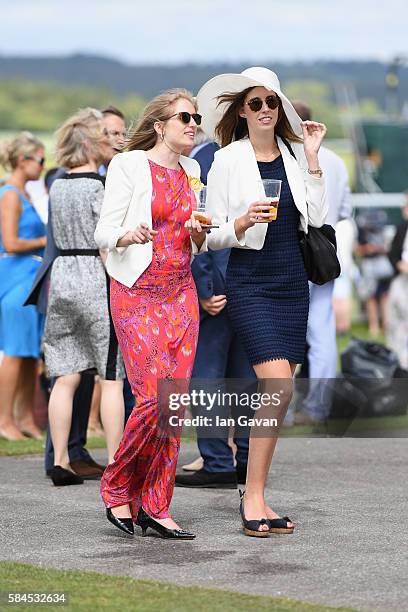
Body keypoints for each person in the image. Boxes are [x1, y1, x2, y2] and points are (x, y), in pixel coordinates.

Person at [197, 67, 327, 536]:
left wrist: (312, 158)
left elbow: (317, 215)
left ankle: (257, 493)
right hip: (249, 281)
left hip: (293, 280)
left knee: (276, 392)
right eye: (255, 103)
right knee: (278, 386)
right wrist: (242, 223)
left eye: (272, 102)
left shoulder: (294, 155)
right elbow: (210, 234)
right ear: (241, 111)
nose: (265, 110)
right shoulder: (227, 159)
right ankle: (252, 497)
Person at [94, 88, 207, 539]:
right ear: (160, 125)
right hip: (136, 291)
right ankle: (118, 484)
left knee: (172, 405)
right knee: (151, 398)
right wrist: (127, 233)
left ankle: (156, 504)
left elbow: (198, 237)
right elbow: (103, 228)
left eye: (196, 117)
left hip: (182, 293)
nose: (192, 123)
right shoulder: (129, 165)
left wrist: (205, 231)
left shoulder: (194, 170)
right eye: (184, 116)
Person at [43, 108, 125, 487]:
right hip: (94, 275)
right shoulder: (99, 187)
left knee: (65, 376)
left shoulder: (56, 186)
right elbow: (106, 242)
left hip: (62, 277)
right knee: (110, 378)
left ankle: (60, 459)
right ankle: (116, 458)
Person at [176, 134, 256, 489]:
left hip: (222, 281)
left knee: (206, 375)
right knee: (243, 376)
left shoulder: (206, 157)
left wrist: (204, 288)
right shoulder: (258, 154)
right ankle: (244, 457)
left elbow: (199, 222)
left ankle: (219, 461)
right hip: (249, 280)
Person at [290, 101, 352, 425]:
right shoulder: (337, 161)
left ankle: (281, 410)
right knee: (322, 332)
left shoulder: (286, 155)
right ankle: (318, 406)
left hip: (293, 251)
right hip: (325, 252)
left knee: (285, 333)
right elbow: (344, 211)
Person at [0, 132, 47, 441]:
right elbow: (10, 242)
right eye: (40, 160)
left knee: (32, 352)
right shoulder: (10, 195)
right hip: (15, 279)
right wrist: (47, 241)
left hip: (32, 280)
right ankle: (4, 421)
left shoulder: (27, 194)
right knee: (16, 350)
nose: (44, 166)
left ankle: (26, 418)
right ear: (22, 160)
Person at [355, 208, 393, 336]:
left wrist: (380, 249)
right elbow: (358, 249)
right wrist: (368, 248)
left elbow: (390, 249)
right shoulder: (363, 232)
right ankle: (374, 325)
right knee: (370, 297)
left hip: (382, 266)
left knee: (384, 296)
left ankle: (386, 324)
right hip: (369, 266)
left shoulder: (385, 231)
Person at [387, 192, 408, 368]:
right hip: (401, 283)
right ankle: (399, 366)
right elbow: (393, 255)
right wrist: (399, 265)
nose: (404, 209)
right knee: (396, 326)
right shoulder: (402, 228)